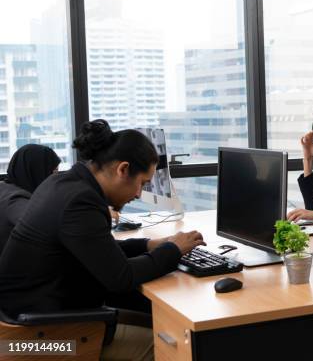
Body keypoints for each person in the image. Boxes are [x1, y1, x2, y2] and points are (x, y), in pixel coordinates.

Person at [0, 119, 204, 359]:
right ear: (122, 169)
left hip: (23, 323)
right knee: (173, 347)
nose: (138, 194)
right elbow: (121, 277)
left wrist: (148, 245)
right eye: (142, 183)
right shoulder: (80, 201)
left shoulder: (62, 184)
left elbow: (96, 249)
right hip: (35, 340)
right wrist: (172, 250)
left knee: (152, 322)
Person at [0, 144, 60, 253]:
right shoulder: (16, 200)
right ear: (37, 171)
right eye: (53, 172)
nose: (56, 178)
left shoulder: (4, 187)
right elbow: (43, 229)